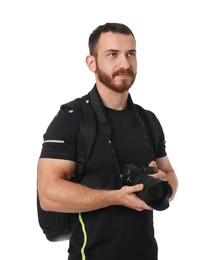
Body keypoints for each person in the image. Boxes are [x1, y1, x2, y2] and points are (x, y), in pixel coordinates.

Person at [38, 22, 178, 260]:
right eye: (112, 54)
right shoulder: (72, 119)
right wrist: (115, 197)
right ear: (91, 62)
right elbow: (48, 194)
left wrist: (162, 185)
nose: (124, 64)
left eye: (130, 54)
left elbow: (170, 175)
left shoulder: (148, 120)